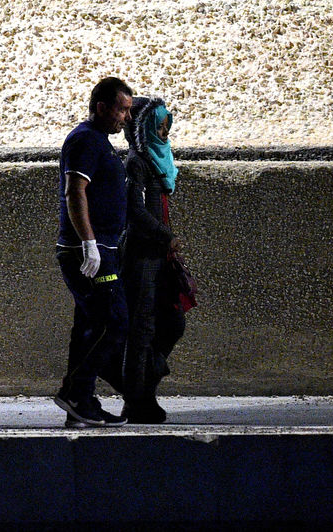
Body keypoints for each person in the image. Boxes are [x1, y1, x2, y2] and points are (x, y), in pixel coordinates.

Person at [54, 77, 134, 427]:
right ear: (101, 107)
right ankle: (75, 391)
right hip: (89, 251)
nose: (126, 118)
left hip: (103, 248)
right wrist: (88, 242)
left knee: (88, 325)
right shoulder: (85, 140)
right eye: (121, 109)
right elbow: (75, 192)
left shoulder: (98, 141)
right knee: (114, 320)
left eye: (129, 110)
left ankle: (81, 403)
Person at [121, 97, 186, 423]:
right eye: (157, 125)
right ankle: (137, 401)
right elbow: (135, 212)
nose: (163, 131)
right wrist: (165, 236)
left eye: (166, 125)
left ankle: (146, 382)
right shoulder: (137, 163)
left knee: (173, 321)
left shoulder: (158, 160)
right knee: (143, 329)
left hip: (159, 256)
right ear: (142, 127)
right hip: (142, 257)